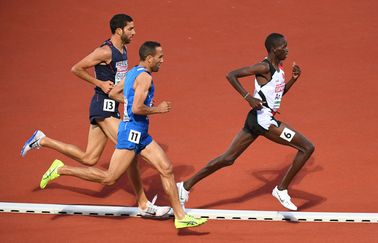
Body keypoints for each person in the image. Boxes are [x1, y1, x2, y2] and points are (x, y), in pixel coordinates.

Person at [38, 41, 207, 229]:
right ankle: (61, 170)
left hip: (141, 133)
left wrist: (131, 102)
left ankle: (180, 217)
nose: (163, 60)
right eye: (160, 57)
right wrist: (157, 109)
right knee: (109, 178)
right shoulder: (145, 79)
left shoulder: (133, 72)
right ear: (149, 58)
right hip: (131, 133)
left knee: (166, 168)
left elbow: (115, 93)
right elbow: (137, 107)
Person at [20, 14, 168, 216]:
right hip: (103, 107)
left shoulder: (123, 49)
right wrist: (99, 83)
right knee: (130, 150)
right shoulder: (105, 51)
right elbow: (77, 68)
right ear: (118, 31)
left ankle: (44, 142)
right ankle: (143, 204)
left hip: (111, 106)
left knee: (89, 158)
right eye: (130, 29)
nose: (134, 32)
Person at [176, 33, 315, 211]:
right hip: (264, 121)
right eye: (283, 47)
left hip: (258, 119)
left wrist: (294, 79)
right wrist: (248, 96)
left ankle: (185, 186)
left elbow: (276, 97)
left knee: (228, 158)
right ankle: (281, 189)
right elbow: (231, 75)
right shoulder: (263, 67)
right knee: (307, 147)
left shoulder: (279, 69)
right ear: (274, 49)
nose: (287, 50)